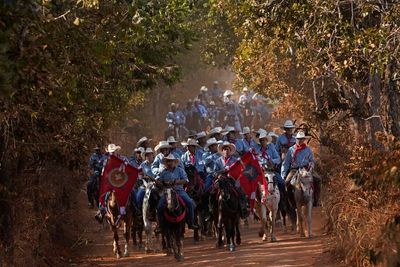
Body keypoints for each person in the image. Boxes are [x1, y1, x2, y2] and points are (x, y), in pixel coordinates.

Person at [156, 154, 199, 232]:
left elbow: (186, 180)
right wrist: (159, 182)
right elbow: (159, 182)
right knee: (159, 207)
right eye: (168, 161)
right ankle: (160, 226)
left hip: (179, 191)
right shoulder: (163, 172)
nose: (170, 163)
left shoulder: (180, 170)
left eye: (171, 161)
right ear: (166, 163)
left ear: (174, 162)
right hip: (167, 192)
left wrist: (175, 182)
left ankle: (191, 222)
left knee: (189, 203)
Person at [207, 141, 249, 220]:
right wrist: (221, 173)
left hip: (232, 180)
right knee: (212, 193)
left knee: (241, 192)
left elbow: (240, 170)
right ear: (222, 151)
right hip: (221, 180)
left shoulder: (235, 161)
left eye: (228, 149)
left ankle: (243, 209)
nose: (226, 151)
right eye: (224, 149)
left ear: (230, 151)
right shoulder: (218, 161)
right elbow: (214, 172)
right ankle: (211, 211)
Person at [281, 131, 320, 206]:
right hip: (294, 169)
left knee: (318, 179)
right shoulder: (291, 149)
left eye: (302, 139)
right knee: (287, 182)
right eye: (298, 139)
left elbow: (312, 160)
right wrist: (283, 173)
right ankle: (292, 203)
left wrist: (311, 166)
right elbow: (286, 162)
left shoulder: (308, 149)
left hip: (306, 168)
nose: (300, 140)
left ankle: (316, 199)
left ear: (304, 140)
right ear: (296, 139)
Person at [94, 144, 127, 223]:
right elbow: (103, 173)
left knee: (130, 192)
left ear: (116, 151)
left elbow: (128, 168)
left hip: (122, 182)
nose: (112, 154)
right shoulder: (106, 161)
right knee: (103, 194)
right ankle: (101, 210)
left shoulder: (123, 159)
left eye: (114, 152)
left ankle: (135, 210)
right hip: (111, 183)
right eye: (111, 152)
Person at [135, 148, 155, 214]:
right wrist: (142, 177)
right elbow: (138, 174)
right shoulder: (142, 165)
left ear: (152, 155)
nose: (149, 157)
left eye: (150, 155)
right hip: (145, 185)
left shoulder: (156, 163)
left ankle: (155, 212)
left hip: (156, 185)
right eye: (147, 155)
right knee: (138, 197)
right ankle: (139, 213)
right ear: (145, 156)